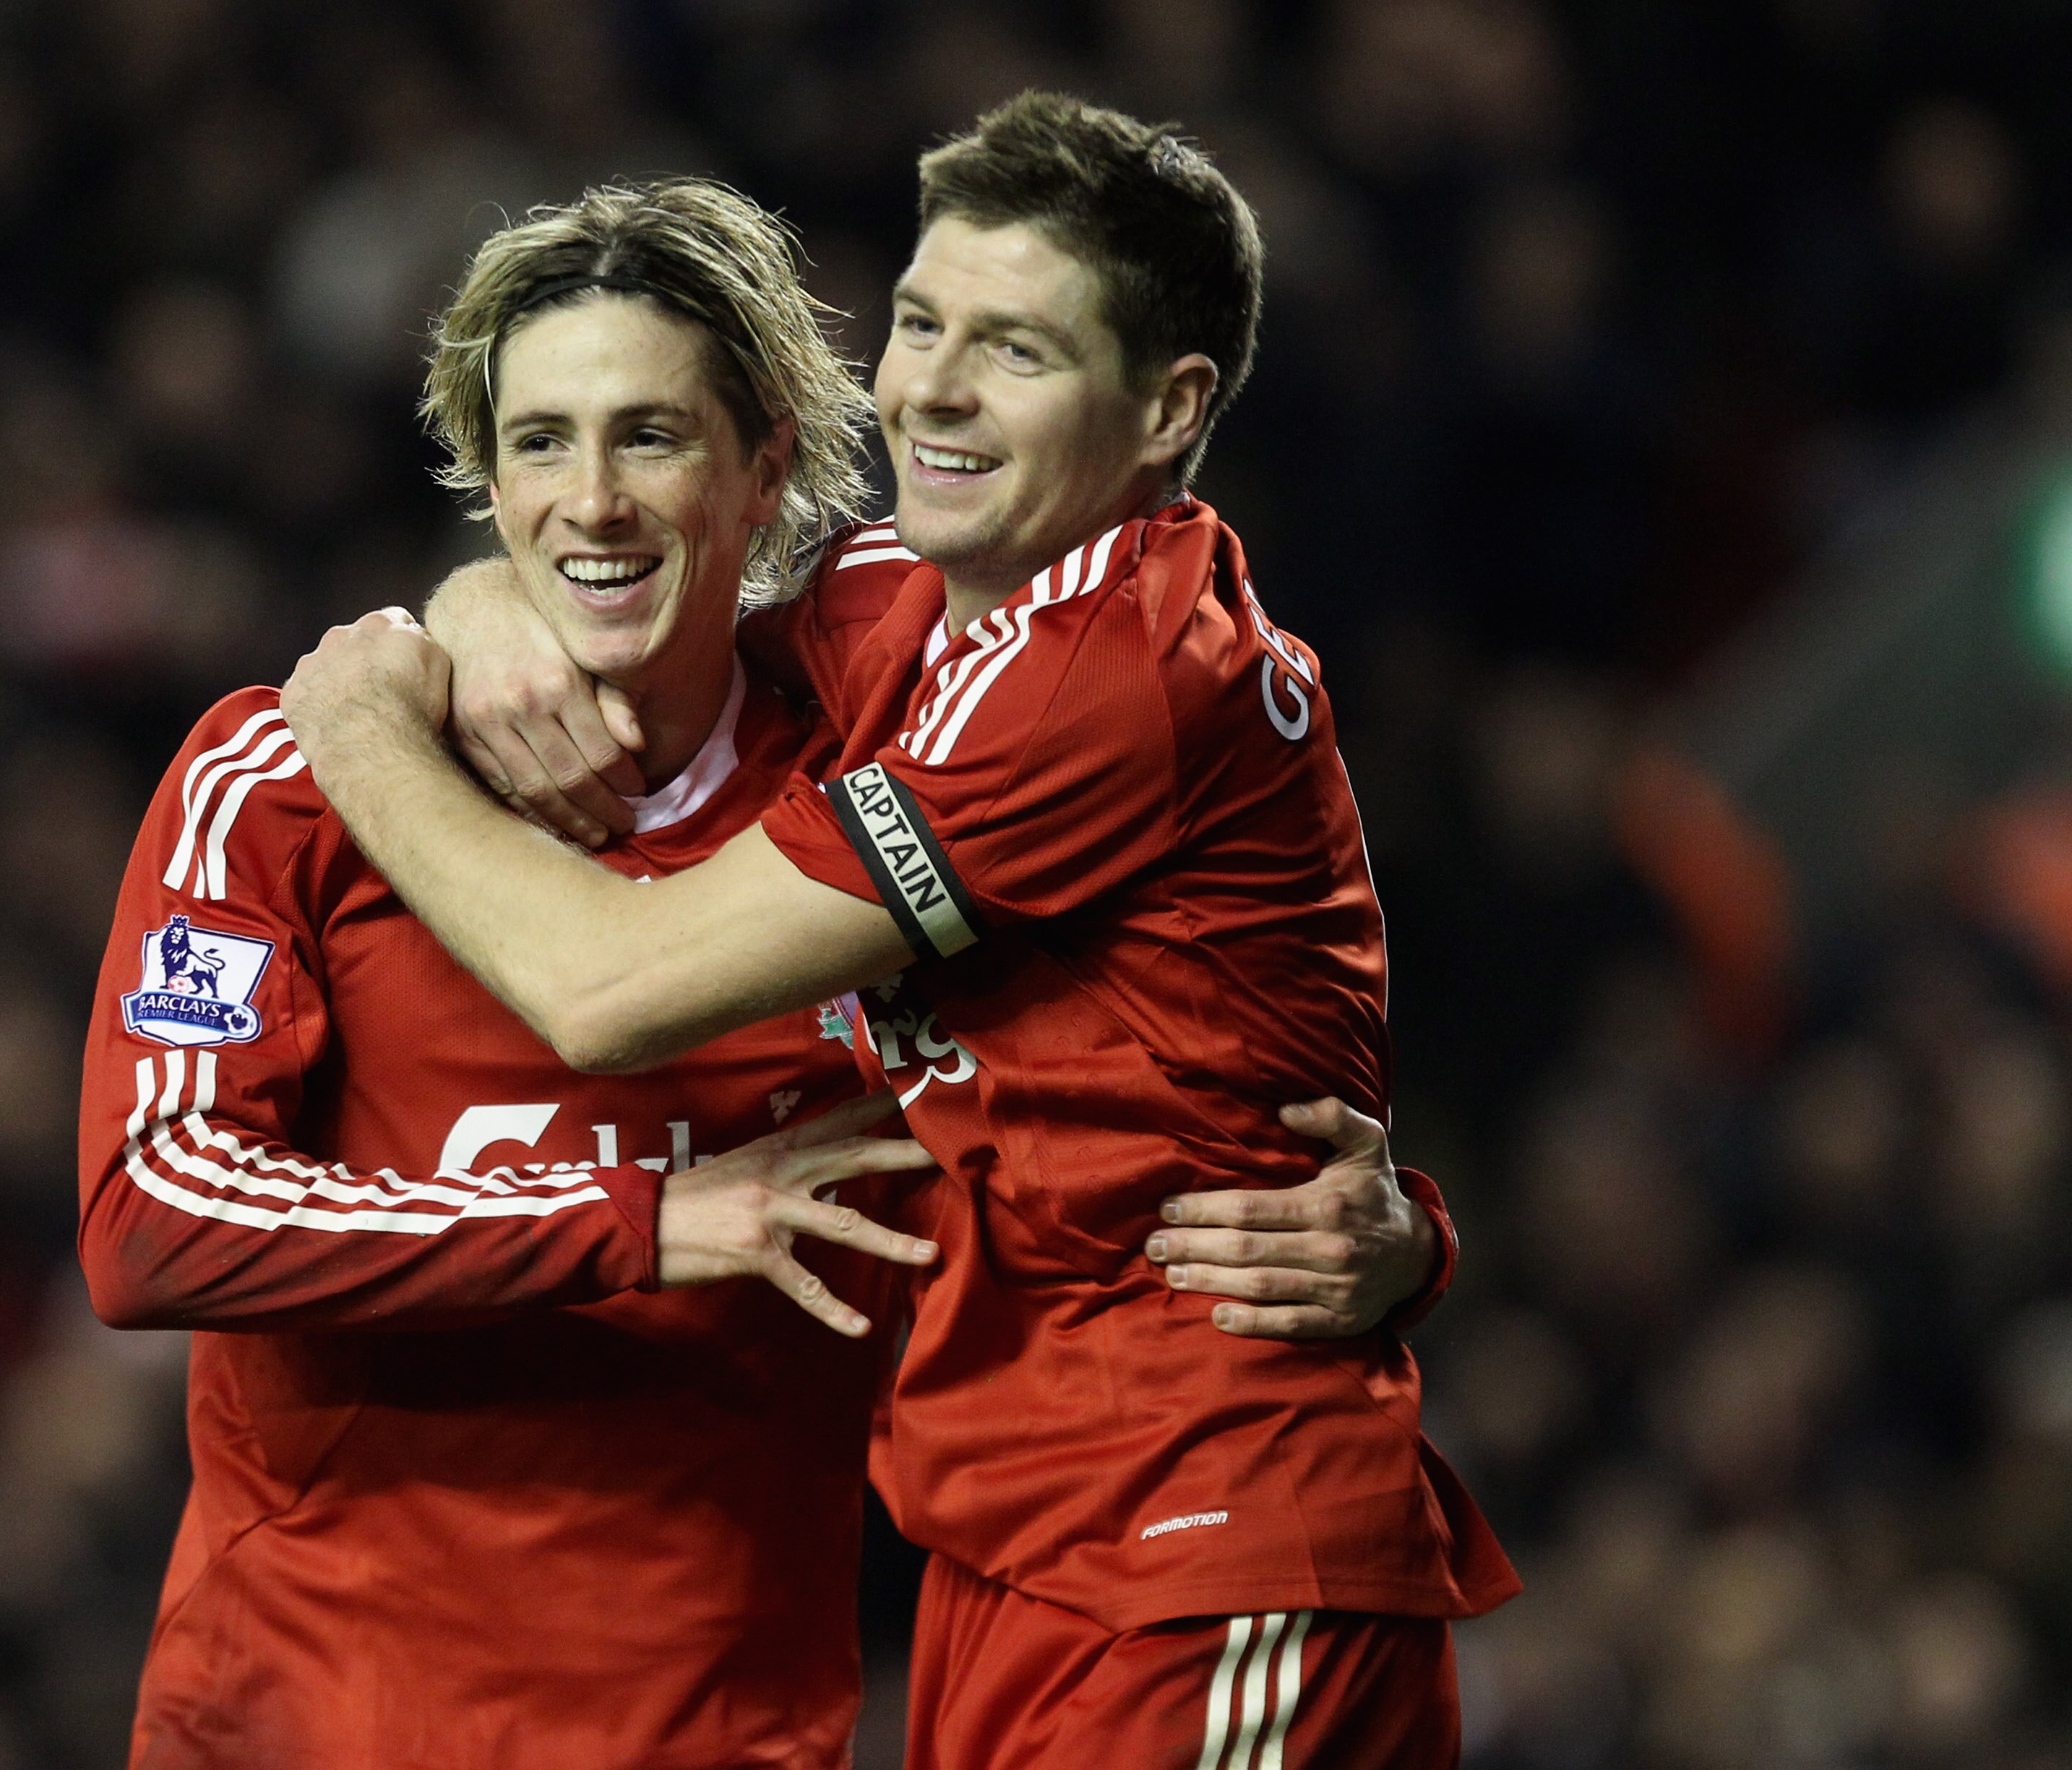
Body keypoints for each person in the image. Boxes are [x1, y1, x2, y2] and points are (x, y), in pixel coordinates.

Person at [80, 176, 1450, 1770]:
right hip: (305, 1725)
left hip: (728, 1732)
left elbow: (1142, 1062)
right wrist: (642, 1220)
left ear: (768, 470)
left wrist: (1387, 1235)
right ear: (487, 479)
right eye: (541, 444)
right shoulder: (289, 780)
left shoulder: (887, 773)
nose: (592, 501)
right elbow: (152, 1218)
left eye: (652, 438)